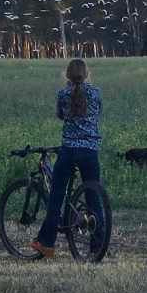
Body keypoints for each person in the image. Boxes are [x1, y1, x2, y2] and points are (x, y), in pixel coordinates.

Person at [30, 58, 105, 258]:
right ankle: (97, 247)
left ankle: (46, 243)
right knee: (94, 199)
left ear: (68, 75)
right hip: (90, 151)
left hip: (69, 150)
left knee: (56, 198)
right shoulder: (96, 92)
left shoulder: (63, 94)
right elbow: (98, 113)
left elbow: (60, 116)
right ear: (87, 74)